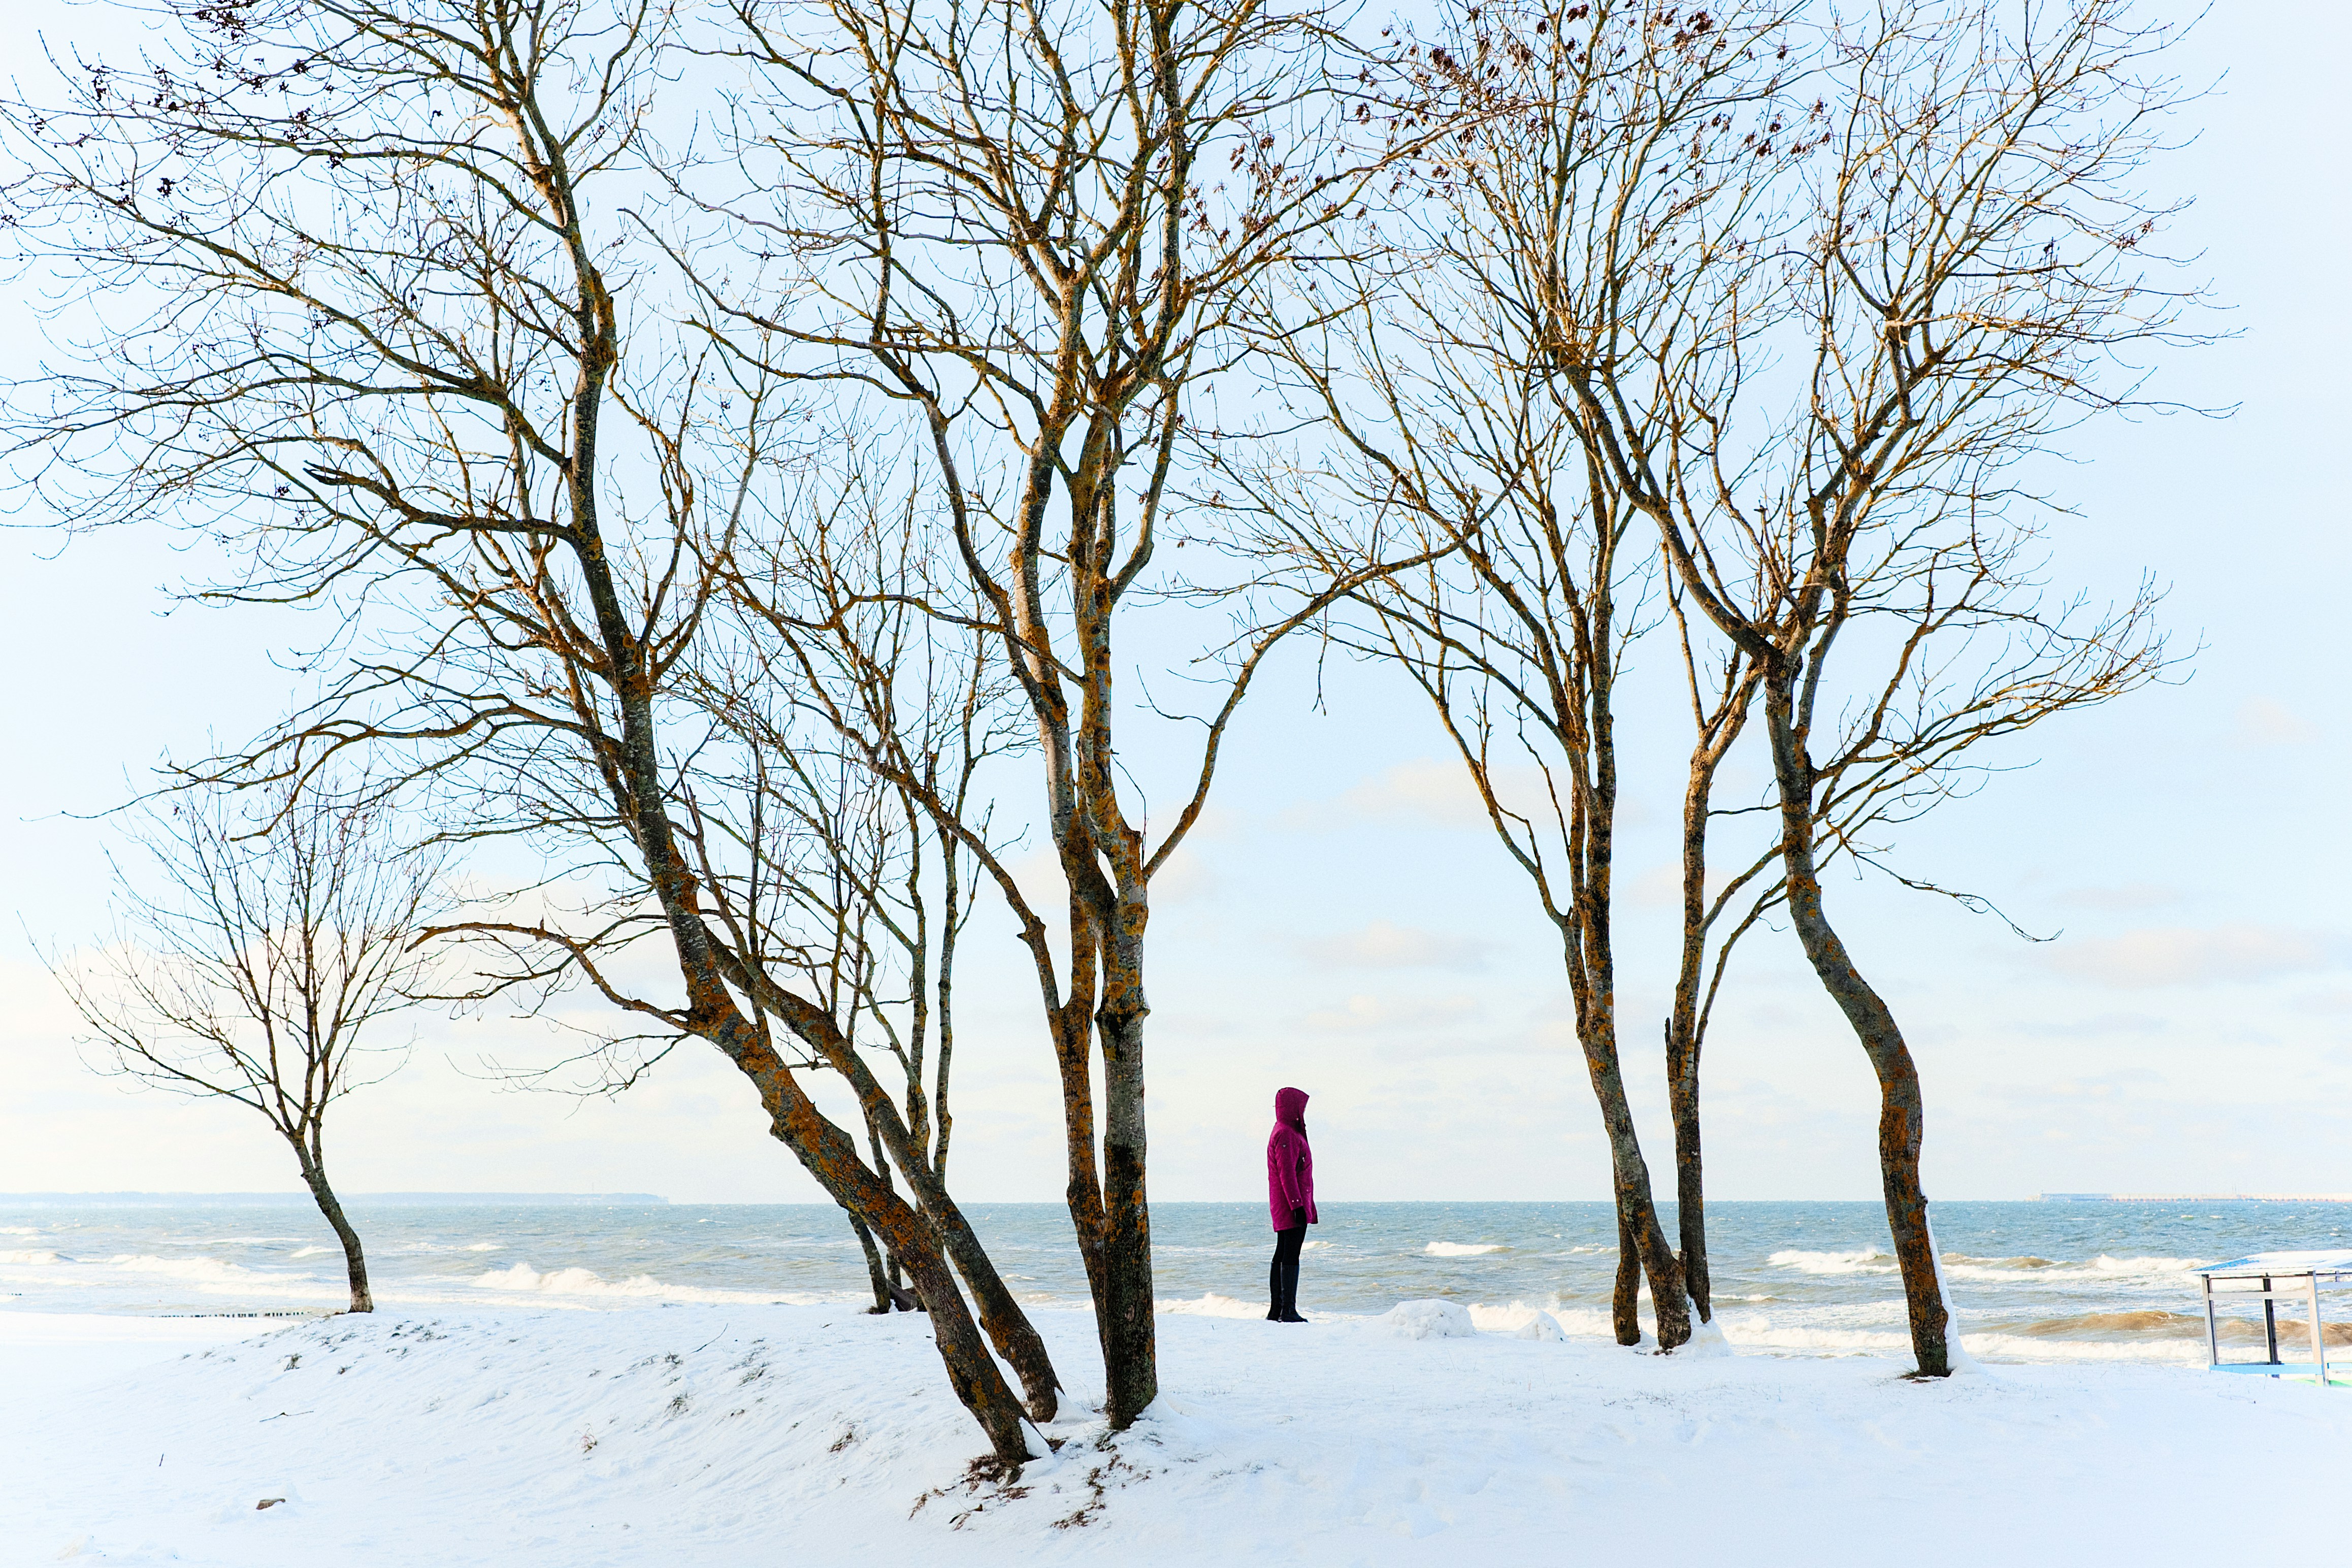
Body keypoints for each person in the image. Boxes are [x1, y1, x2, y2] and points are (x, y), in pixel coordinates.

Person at [1265, 1086, 1317, 1322]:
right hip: (1291, 1204)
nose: (1303, 1111)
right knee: (1290, 1254)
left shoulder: (1284, 1131)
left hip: (1288, 1202)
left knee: (1283, 1252)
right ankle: (1287, 1310)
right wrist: (1297, 1206)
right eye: (1301, 1106)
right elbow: (1287, 1173)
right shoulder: (1286, 1134)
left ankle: (1278, 1309)